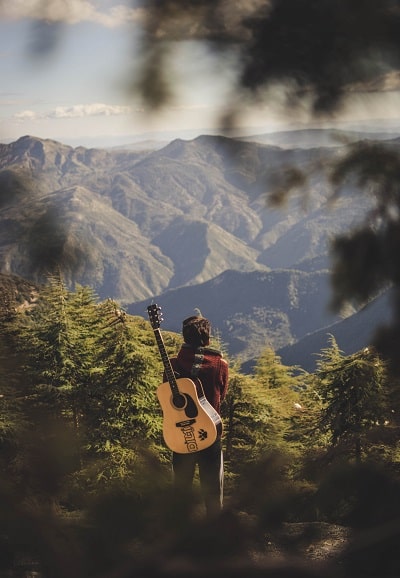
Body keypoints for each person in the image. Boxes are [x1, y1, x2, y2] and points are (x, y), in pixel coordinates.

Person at [166, 314, 229, 518]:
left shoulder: (172, 364)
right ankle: (214, 533)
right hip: (210, 432)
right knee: (212, 491)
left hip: (181, 433)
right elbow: (223, 394)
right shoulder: (221, 365)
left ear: (185, 338)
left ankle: (179, 533)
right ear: (208, 339)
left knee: (180, 490)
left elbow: (167, 400)